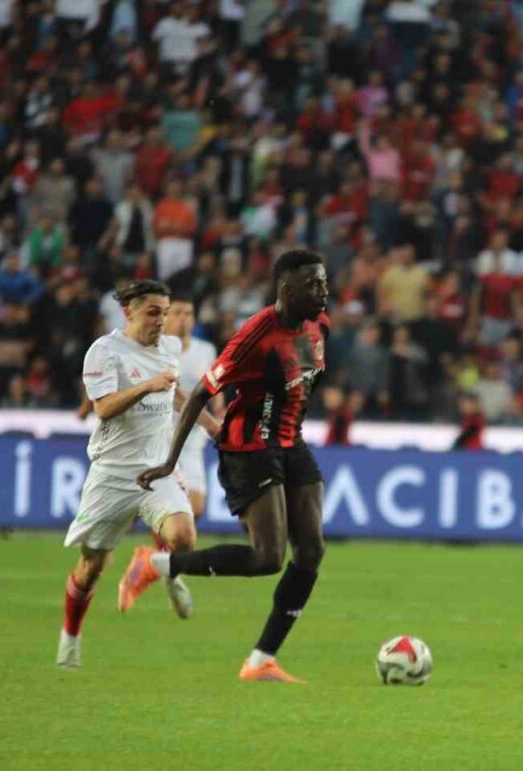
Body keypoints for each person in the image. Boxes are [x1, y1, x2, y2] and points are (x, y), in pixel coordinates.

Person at [122, 249, 330, 683]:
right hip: (248, 447)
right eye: (314, 284)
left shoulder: (318, 328)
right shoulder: (255, 336)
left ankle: (260, 661)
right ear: (287, 288)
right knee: (268, 557)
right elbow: (200, 393)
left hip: (291, 442)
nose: (324, 292)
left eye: (325, 282)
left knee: (311, 550)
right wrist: (169, 461)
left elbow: (300, 387)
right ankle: (156, 564)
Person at [57, 280, 221, 670]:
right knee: (92, 566)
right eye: (153, 312)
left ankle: (156, 567)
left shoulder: (170, 348)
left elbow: (175, 394)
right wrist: (147, 385)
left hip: (156, 467)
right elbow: (103, 408)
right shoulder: (104, 351)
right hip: (112, 473)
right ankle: (70, 636)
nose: (161, 320)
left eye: (165, 312)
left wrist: (211, 425)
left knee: (184, 537)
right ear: (128, 312)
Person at [165, 294, 219, 521]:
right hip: (160, 436)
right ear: (165, 317)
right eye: (177, 313)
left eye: (188, 314)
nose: (183, 319)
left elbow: (216, 388)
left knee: (195, 508)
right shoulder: (158, 349)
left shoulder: (206, 350)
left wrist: (220, 411)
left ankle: (161, 542)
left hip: (192, 437)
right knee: (159, 505)